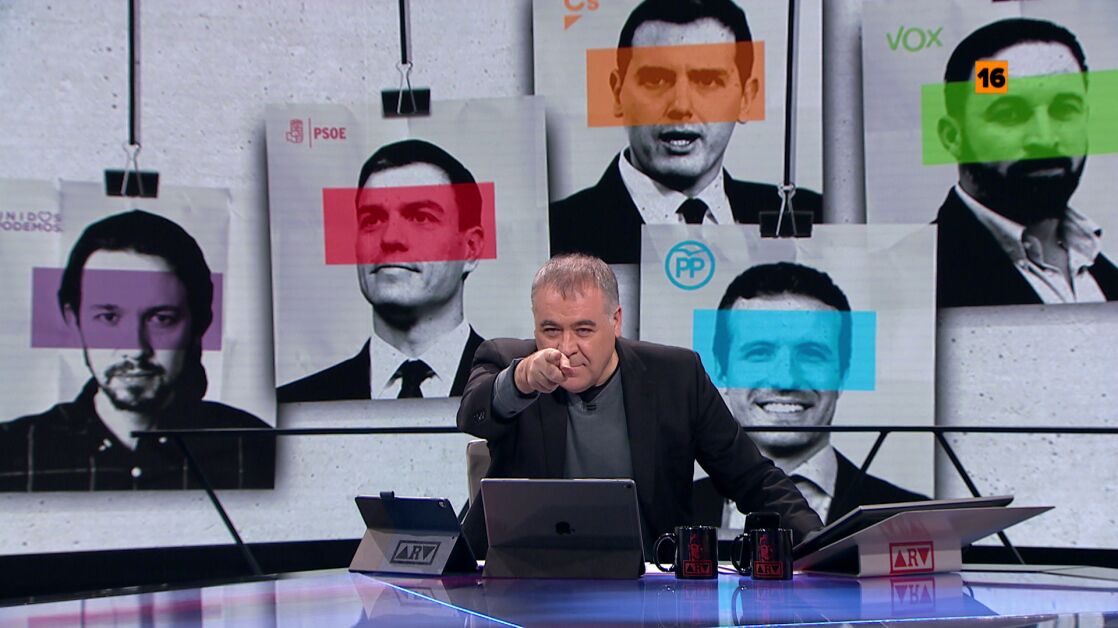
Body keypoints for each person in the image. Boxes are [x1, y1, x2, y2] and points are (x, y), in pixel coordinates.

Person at [457, 254, 822, 556]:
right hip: (523, 581)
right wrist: (520, 380)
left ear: (616, 321)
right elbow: (473, 414)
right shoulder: (503, 359)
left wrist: (817, 542)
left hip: (648, 585)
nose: (566, 348)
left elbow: (751, 478)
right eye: (551, 330)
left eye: (583, 330)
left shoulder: (676, 376)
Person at [0, 210, 274, 491]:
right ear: (74, 321)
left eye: (161, 319)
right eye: (109, 317)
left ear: (198, 324)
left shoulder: (256, 448)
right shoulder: (10, 451)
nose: (135, 349)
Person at [549, 0, 822, 264]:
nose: (681, 106)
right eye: (655, 80)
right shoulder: (553, 232)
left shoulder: (818, 218)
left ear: (746, 99)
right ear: (618, 94)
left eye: (708, 81)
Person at [697, 262, 928, 526]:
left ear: (843, 373)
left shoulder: (912, 517)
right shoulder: (667, 510)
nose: (785, 380)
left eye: (811, 354)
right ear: (721, 370)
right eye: (759, 353)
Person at [278, 139, 486, 402]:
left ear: (470, 249)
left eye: (421, 217)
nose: (390, 238)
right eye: (373, 219)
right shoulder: (294, 405)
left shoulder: (531, 399)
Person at [934, 17, 1118, 307]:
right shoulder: (908, 279)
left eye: (1064, 109)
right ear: (953, 137)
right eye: (1009, 114)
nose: (1044, 138)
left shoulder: (1105, 275)